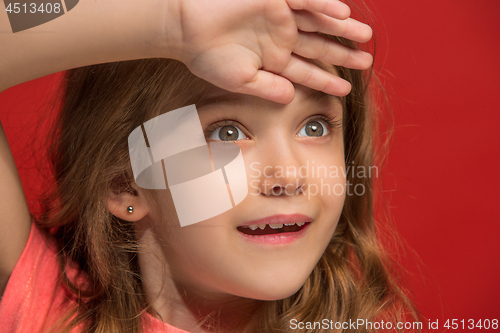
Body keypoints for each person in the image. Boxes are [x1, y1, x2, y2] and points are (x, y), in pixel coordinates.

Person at [0, 0, 420, 332]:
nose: (289, 176)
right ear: (124, 181)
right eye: (227, 133)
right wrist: (171, 23)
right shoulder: (44, 314)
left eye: (314, 126)